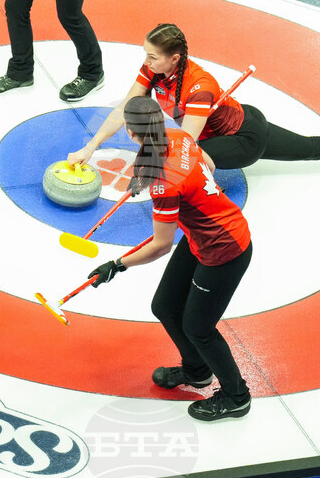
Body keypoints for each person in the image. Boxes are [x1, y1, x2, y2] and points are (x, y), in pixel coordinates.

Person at [88, 96, 254, 422]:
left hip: (224, 249)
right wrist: (196, 201)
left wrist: (117, 265)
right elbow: (208, 163)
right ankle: (197, 371)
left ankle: (237, 396)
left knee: (198, 327)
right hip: (201, 238)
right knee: (164, 306)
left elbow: (161, 245)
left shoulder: (163, 182)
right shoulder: (178, 137)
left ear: (132, 134)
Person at [68, 23, 320, 172]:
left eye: (151, 55)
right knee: (312, 147)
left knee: (188, 164)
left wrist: (147, 155)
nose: (145, 61)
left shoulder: (200, 85)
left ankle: (199, 222)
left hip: (242, 137)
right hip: (237, 121)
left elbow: (186, 144)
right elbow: (125, 106)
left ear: (173, 58)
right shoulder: (155, 70)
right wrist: (92, 147)